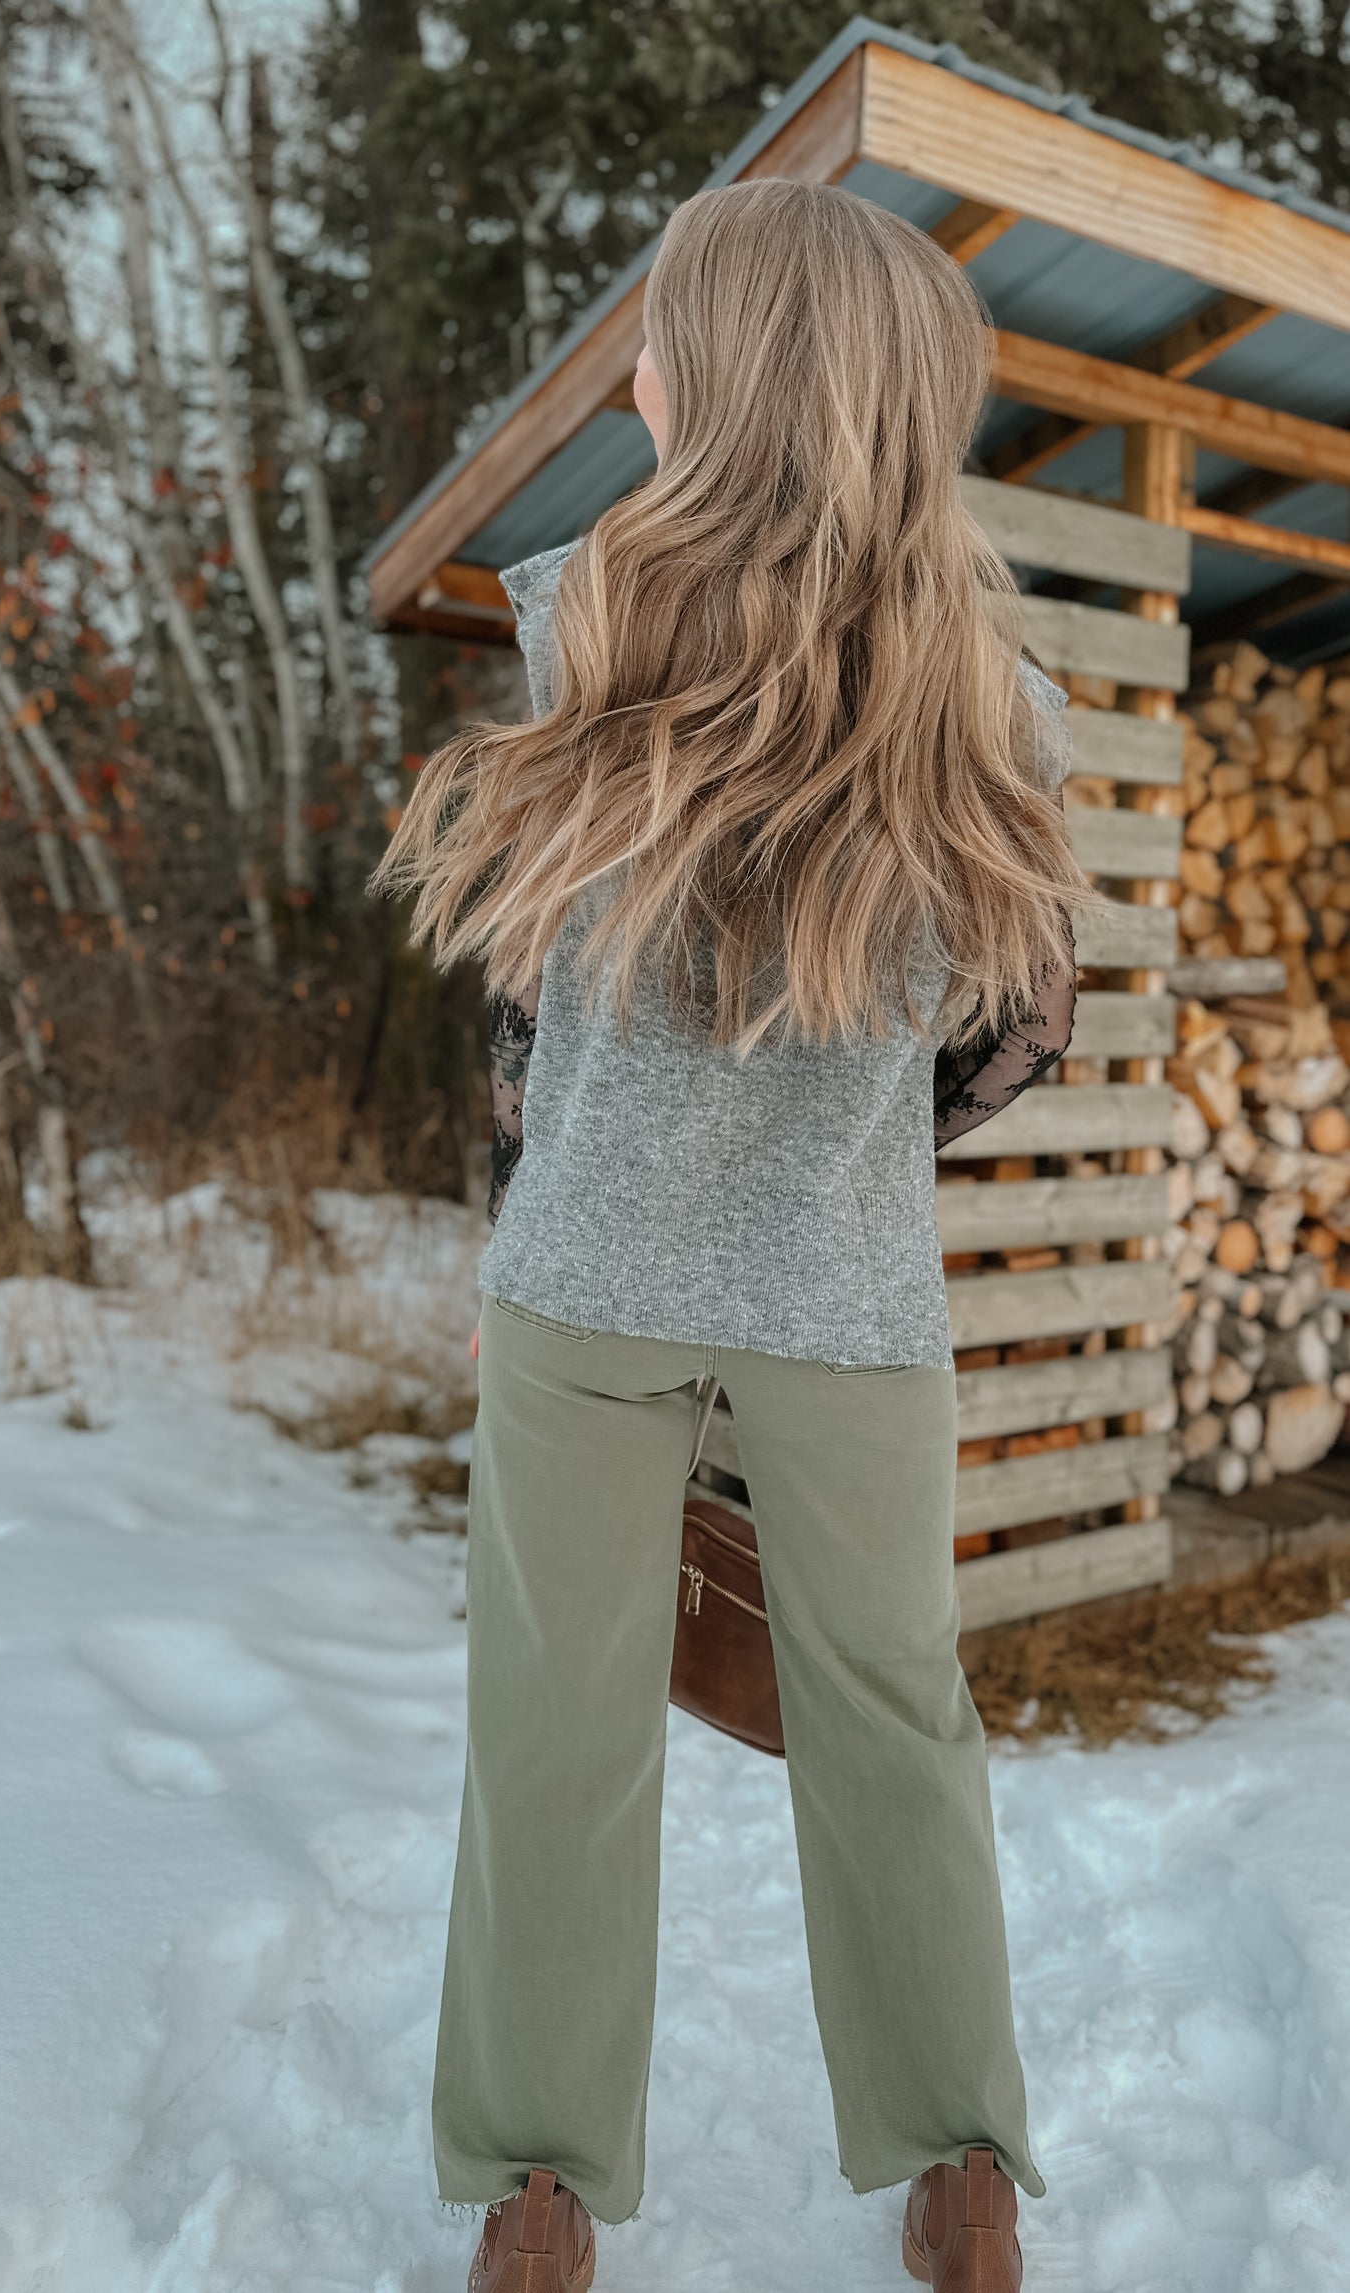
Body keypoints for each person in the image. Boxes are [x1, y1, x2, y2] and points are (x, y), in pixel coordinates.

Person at [375, 176, 1096, 2293]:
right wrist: (852, 1151)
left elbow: (522, 1023)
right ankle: (963, 2176)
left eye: (663, 340)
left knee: (552, 1726)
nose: (635, 371)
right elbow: (1020, 1038)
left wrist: (559, 1199)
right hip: (844, 1304)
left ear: (742, 387)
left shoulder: (583, 619)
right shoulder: (999, 700)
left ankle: (537, 2191)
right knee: (893, 1721)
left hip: (585, 1285)